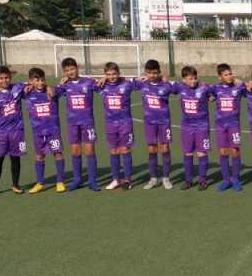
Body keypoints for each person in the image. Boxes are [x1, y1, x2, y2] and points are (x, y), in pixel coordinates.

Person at [58, 57, 100, 191]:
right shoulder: (65, 85)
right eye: (67, 70)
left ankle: (92, 181)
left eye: (72, 69)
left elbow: (104, 85)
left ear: (78, 68)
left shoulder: (89, 82)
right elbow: (51, 91)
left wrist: (105, 78)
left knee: (90, 150)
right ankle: (78, 180)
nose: (70, 72)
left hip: (88, 122)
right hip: (72, 123)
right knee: (75, 151)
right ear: (64, 72)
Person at [0, 66, 26, 196]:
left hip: (17, 131)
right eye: (1, 78)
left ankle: (15, 185)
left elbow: (35, 82)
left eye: (6, 77)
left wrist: (48, 86)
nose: (4, 80)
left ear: (10, 77)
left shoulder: (18, 88)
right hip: (1, 133)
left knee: (15, 159)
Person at [98, 62, 139, 190]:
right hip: (110, 123)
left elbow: (144, 81)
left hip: (125, 123)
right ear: (105, 75)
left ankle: (128, 180)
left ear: (119, 73)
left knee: (125, 149)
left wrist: (162, 78)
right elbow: (84, 82)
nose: (111, 77)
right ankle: (116, 180)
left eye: (114, 74)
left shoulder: (127, 84)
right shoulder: (102, 86)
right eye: (108, 74)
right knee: (113, 150)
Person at [171, 65, 213, 190]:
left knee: (201, 152)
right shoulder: (179, 87)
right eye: (190, 79)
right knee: (188, 153)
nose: (193, 81)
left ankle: (202, 180)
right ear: (184, 79)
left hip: (202, 126)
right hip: (186, 126)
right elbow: (166, 84)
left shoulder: (204, 88)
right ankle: (188, 180)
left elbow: (213, 97)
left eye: (195, 78)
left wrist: (211, 96)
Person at [24, 68, 65, 193]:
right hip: (38, 132)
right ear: (31, 81)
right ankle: (40, 183)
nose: (40, 83)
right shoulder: (27, 92)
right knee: (39, 156)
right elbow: (11, 87)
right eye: (37, 80)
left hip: (53, 131)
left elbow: (65, 88)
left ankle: (60, 181)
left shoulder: (52, 90)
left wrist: (63, 80)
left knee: (58, 154)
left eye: (43, 80)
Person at [136, 59, 174, 191]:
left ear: (159, 72)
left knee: (165, 147)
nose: (152, 75)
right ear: (146, 72)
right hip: (149, 122)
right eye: (149, 73)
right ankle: (153, 178)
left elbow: (183, 85)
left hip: (164, 122)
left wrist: (167, 80)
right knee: (152, 149)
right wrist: (104, 78)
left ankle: (166, 178)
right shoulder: (142, 84)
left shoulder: (166, 85)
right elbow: (121, 81)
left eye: (155, 73)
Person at [211, 63, 246, 192]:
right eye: (226, 75)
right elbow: (209, 96)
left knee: (235, 151)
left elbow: (251, 87)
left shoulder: (239, 86)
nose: (229, 76)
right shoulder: (216, 88)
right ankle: (226, 181)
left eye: (230, 74)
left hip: (234, 125)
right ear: (220, 77)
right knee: (223, 152)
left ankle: (236, 180)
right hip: (220, 125)